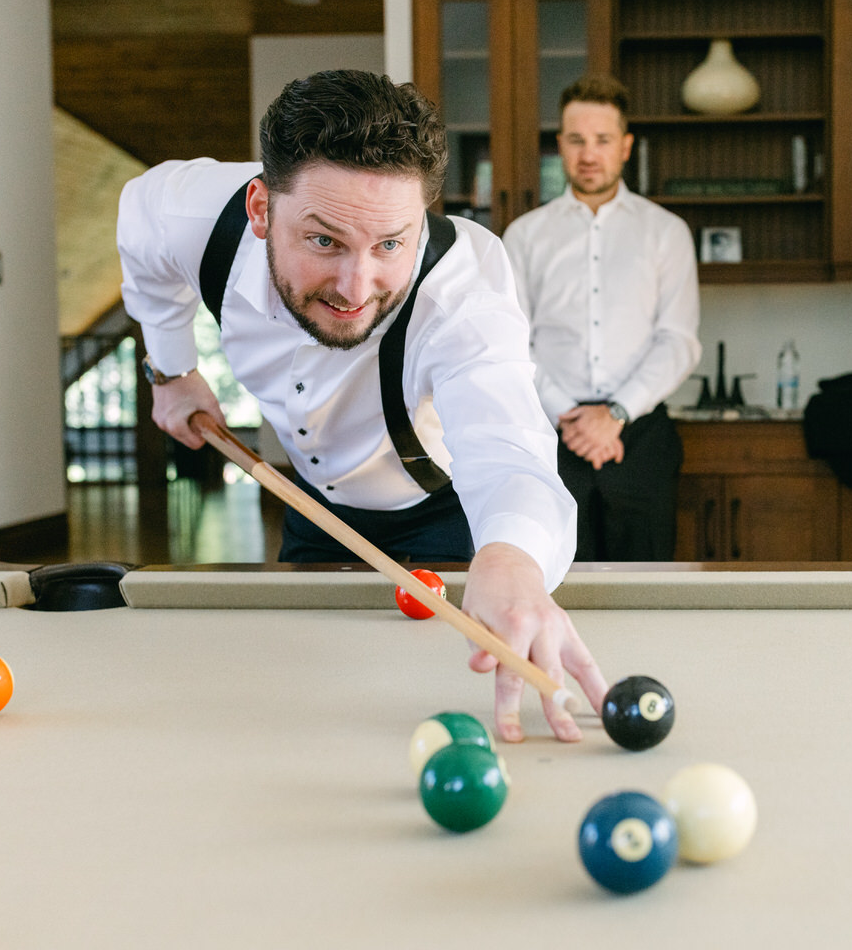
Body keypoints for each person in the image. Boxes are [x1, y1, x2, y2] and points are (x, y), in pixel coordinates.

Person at [117, 70, 608, 741]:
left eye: (389, 245)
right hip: (310, 509)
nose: (356, 286)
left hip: (444, 521)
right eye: (324, 241)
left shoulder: (464, 286)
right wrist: (171, 369)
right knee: (305, 711)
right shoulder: (186, 214)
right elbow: (138, 236)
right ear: (261, 209)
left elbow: (508, 449)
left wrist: (514, 560)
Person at [503, 75, 701, 562]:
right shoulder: (524, 236)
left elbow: (678, 339)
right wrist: (571, 419)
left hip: (640, 434)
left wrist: (612, 416)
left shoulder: (666, 233)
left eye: (603, 140)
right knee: (557, 581)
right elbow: (509, 342)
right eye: (576, 140)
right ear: (560, 146)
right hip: (549, 436)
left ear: (626, 146)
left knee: (645, 591)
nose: (589, 153)